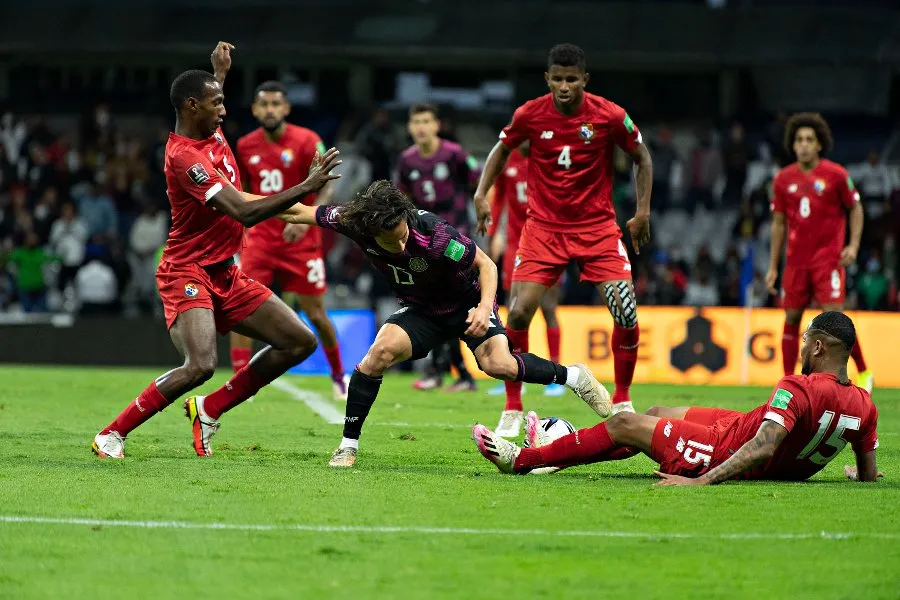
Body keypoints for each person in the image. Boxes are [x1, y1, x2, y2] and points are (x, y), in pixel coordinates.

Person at [91, 42, 342, 459]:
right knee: (201, 364)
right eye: (217, 103)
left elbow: (208, 100)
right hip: (187, 271)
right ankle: (112, 434)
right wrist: (306, 187)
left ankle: (209, 410)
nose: (225, 111)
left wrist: (218, 74)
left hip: (226, 272)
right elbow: (242, 212)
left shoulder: (208, 127)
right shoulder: (185, 158)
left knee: (299, 341)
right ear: (192, 107)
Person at [267, 178, 610, 468]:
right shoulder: (354, 221)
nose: (400, 244)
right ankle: (348, 445)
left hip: (466, 305)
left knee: (499, 365)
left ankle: (574, 377)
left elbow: (487, 266)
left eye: (402, 235)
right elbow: (295, 211)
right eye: (391, 241)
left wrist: (484, 307)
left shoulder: (435, 234)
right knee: (377, 355)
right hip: (421, 311)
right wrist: (230, 197)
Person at [474, 312, 881, 485]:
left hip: (725, 451)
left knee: (623, 423)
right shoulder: (864, 405)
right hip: (739, 427)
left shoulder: (798, 386)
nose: (802, 346)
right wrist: (855, 477)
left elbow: (764, 446)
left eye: (806, 339)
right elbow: (867, 472)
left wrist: (703, 480)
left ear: (818, 348)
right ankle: (558, 451)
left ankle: (521, 460)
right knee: (654, 414)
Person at [473, 44, 653, 416]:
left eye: (572, 79)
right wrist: (480, 193)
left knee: (625, 312)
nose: (565, 86)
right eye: (557, 79)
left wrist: (642, 211)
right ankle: (513, 405)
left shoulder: (610, 115)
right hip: (543, 229)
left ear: (585, 79)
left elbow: (642, 156)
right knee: (519, 313)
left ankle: (622, 397)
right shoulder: (530, 114)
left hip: (597, 229)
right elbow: (501, 150)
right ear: (548, 80)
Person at [230, 80, 348, 401]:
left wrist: (308, 215)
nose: (270, 109)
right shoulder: (244, 146)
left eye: (276, 104)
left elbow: (329, 184)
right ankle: (243, 383)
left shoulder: (308, 140)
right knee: (242, 311)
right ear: (255, 109)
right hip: (261, 239)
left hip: (301, 238)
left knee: (318, 315)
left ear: (286, 108)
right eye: (264, 104)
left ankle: (339, 376)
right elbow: (239, 191)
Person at [765, 113, 873, 393]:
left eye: (809, 140)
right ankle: (788, 381)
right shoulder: (782, 179)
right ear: (793, 144)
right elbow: (778, 224)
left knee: (836, 317)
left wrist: (853, 245)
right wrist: (774, 266)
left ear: (819, 144)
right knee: (791, 317)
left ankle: (862, 373)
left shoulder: (836, 174)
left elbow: (856, 208)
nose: (803, 145)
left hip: (828, 260)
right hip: (796, 263)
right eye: (799, 139)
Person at [396, 103, 482, 392]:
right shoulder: (407, 160)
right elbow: (403, 200)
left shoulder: (455, 154)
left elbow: (480, 182)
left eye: (426, 121)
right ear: (410, 127)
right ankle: (452, 373)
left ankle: (449, 372)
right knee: (438, 304)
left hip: (456, 238)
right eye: (416, 121)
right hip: (424, 241)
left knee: (445, 303)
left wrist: (485, 217)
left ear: (436, 125)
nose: (420, 127)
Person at [486, 143, 566, 438]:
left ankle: (555, 375)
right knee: (515, 311)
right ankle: (514, 370)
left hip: (547, 244)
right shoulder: (508, 165)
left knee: (547, 309)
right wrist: (494, 234)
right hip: (515, 246)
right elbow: (500, 201)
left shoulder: (550, 162)